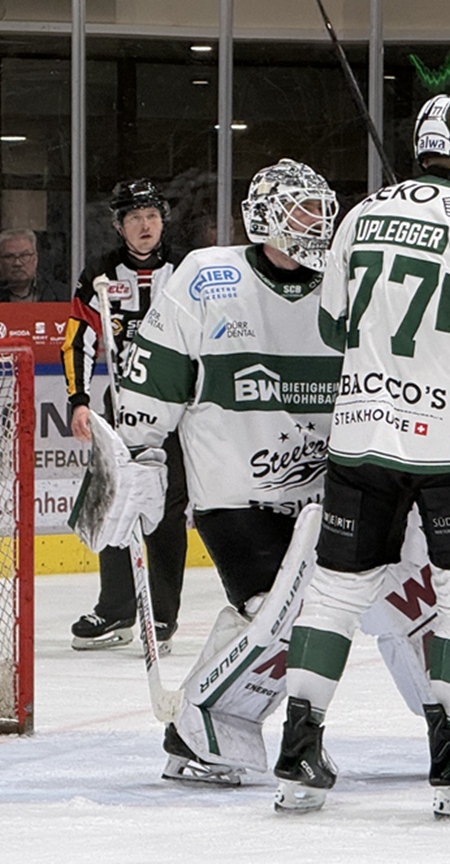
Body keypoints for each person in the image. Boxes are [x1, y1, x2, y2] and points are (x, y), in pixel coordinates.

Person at [273, 94, 450, 818]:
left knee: (334, 587)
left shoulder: (360, 215)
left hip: (361, 431)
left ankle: (300, 747)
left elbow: (333, 326)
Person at [108, 158, 344, 783]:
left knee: (409, 598)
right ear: (263, 218)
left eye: (320, 206)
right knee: (278, 615)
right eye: (299, 209)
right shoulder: (207, 279)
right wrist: (140, 454)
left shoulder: (344, 282)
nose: (316, 221)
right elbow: (152, 374)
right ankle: (202, 733)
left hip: (329, 493)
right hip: (237, 497)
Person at [61, 179, 189, 652]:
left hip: (181, 410)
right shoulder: (98, 272)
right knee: (115, 499)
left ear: (163, 220)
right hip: (123, 408)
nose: (144, 225)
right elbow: (78, 340)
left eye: (152, 216)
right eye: (134, 218)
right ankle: (116, 611)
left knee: (169, 510)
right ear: (119, 225)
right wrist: (79, 400)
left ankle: (163, 616)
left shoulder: (186, 269)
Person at [0, 228, 66, 301]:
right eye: (10, 256)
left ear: (35, 259)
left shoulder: (62, 294)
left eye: (24, 255)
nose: (17, 263)